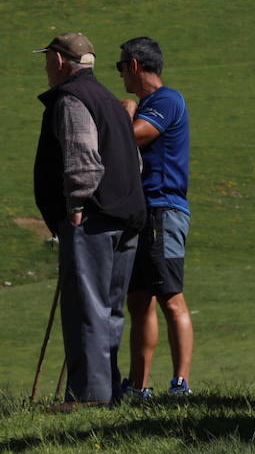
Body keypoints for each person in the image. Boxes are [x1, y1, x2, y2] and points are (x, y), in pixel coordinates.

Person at [33, 32, 146, 408]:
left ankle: (88, 395)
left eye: (48, 57)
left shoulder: (72, 99)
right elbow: (134, 158)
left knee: (86, 307)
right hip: (127, 213)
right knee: (110, 308)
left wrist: (76, 206)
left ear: (62, 61)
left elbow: (82, 156)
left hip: (94, 216)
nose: (47, 65)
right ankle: (108, 390)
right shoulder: (111, 101)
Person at [117, 37, 195, 398]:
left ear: (134, 65)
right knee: (139, 299)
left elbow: (135, 137)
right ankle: (138, 384)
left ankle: (181, 383)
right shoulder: (152, 102)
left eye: (121, 68)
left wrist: (128, 109)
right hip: (142, 211)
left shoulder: (166, 100)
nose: (121, 77)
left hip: (163, 208)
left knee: (170, 296)